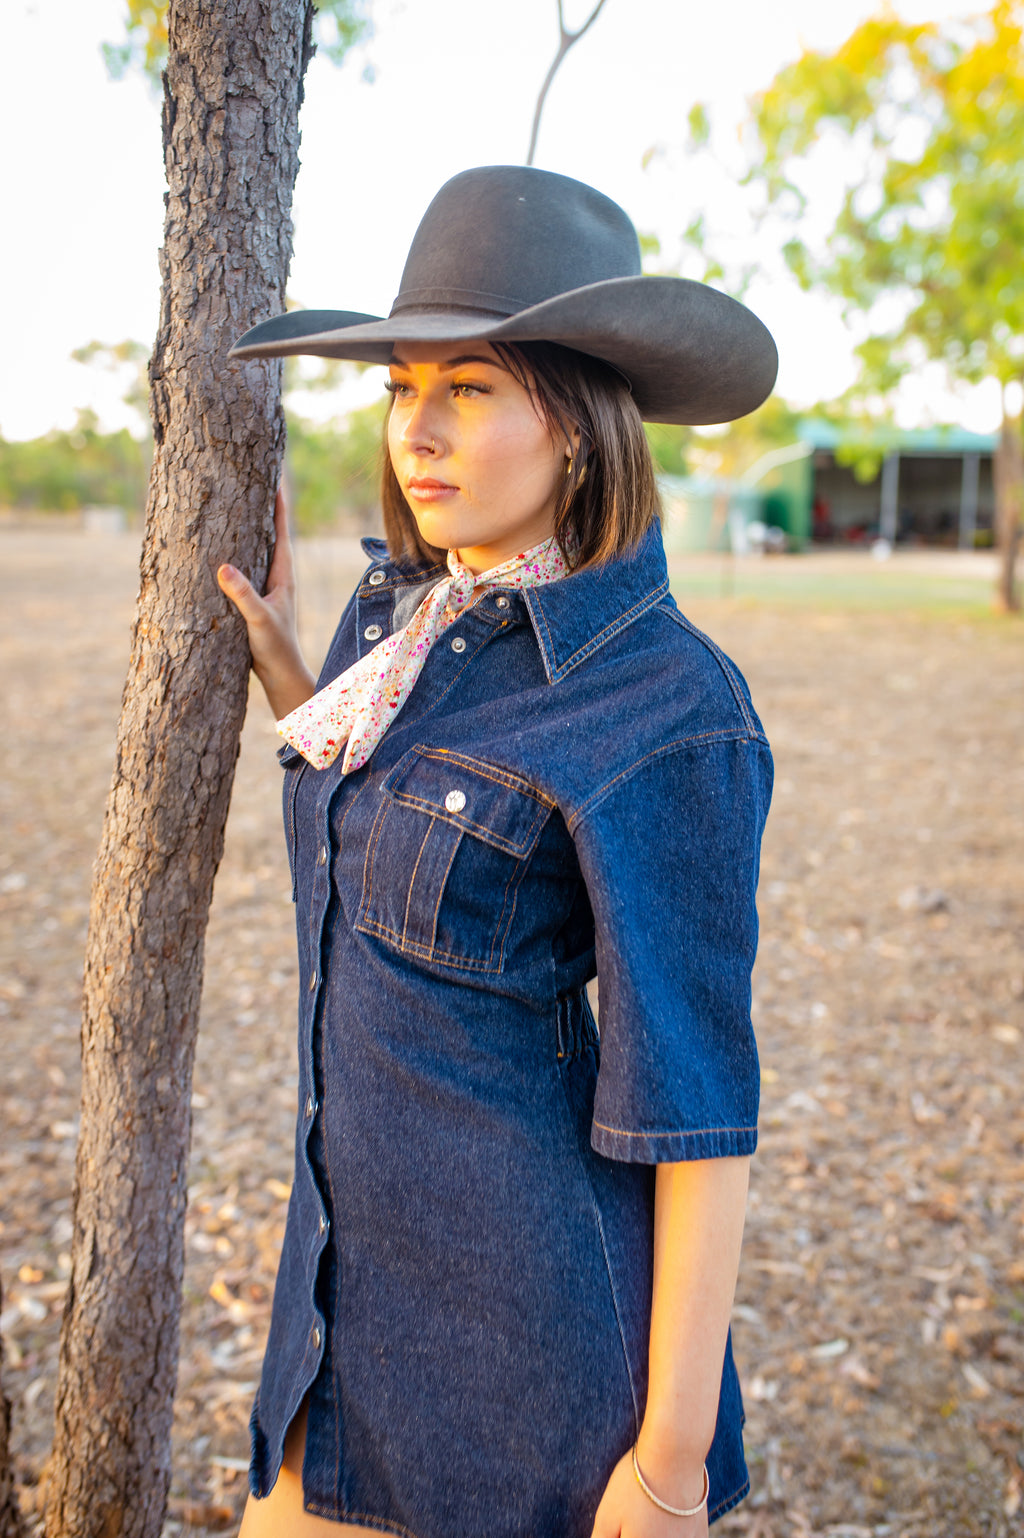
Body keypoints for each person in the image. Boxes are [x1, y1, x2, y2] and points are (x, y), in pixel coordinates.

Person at [217, 165, 777, 1538]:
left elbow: (697, 1117)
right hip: (335, 1317)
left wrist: (671, 1462)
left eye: (468, 386)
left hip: (530, 1362)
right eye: (403, 386)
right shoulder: (388, 635)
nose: (420, 427)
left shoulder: (669, 709)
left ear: (577, 426)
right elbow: (380, 875)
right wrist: (300, 685)